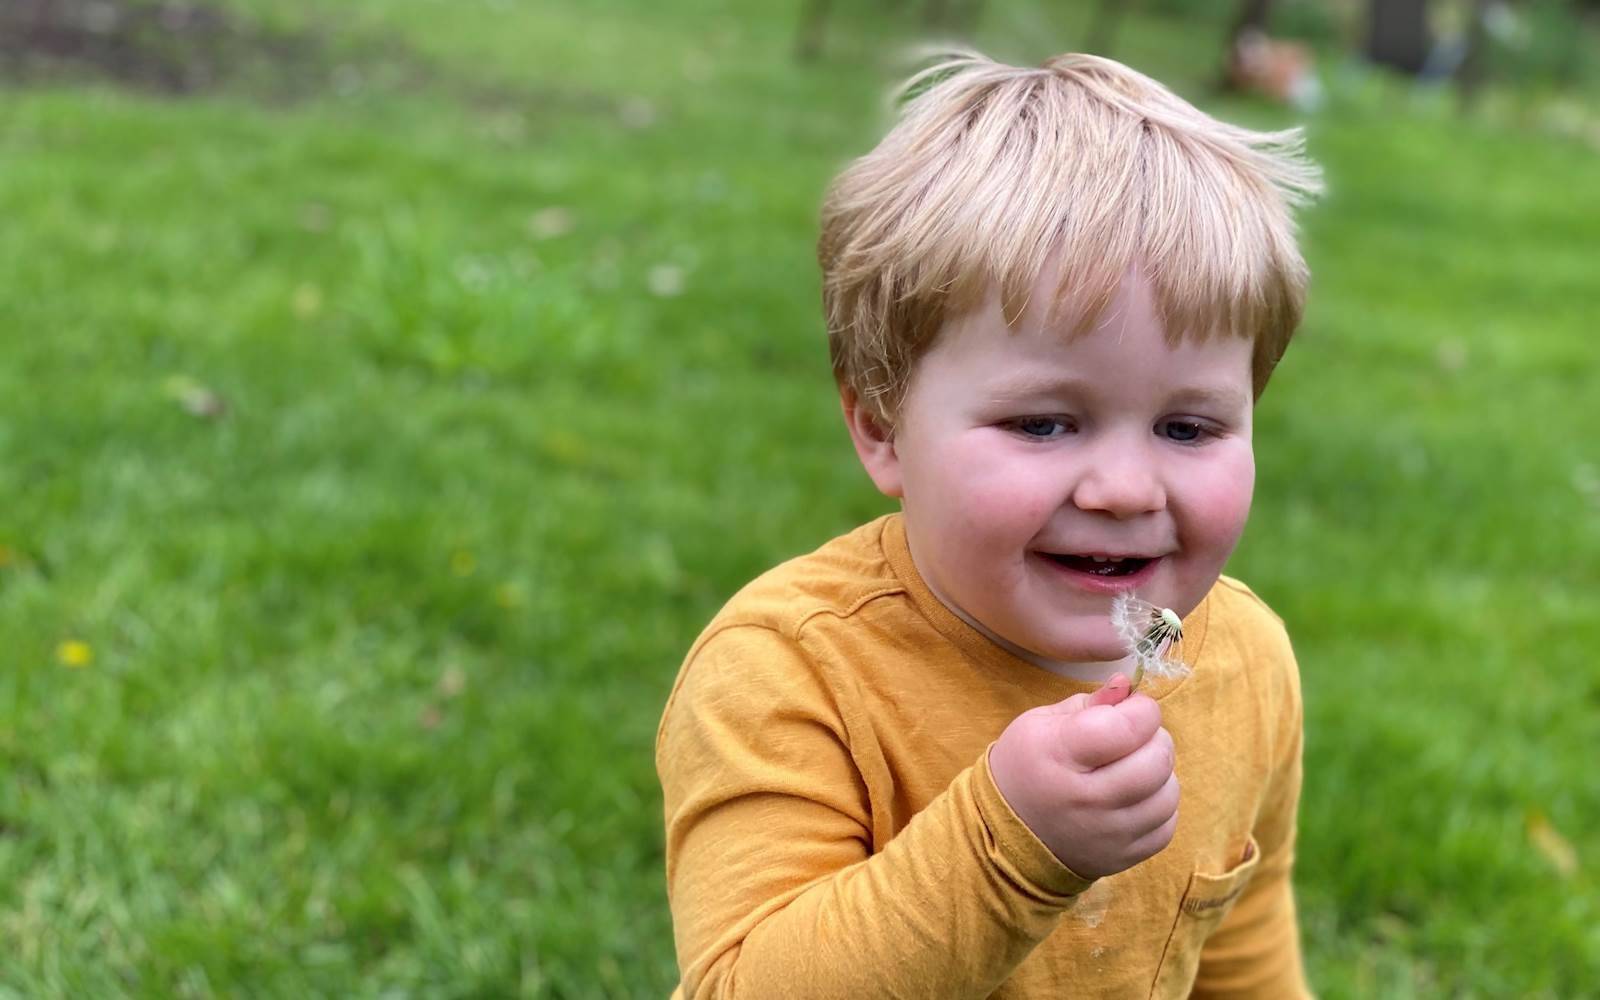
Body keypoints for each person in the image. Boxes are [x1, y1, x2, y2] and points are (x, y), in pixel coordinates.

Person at [656, 49, 1321, 998]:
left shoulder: (1246, 662)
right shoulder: (788, 674)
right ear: (884, 427)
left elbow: (1243, 951)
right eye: (1044, 423)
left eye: (1188, 426)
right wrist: (1013, 842)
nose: (1126, 489)